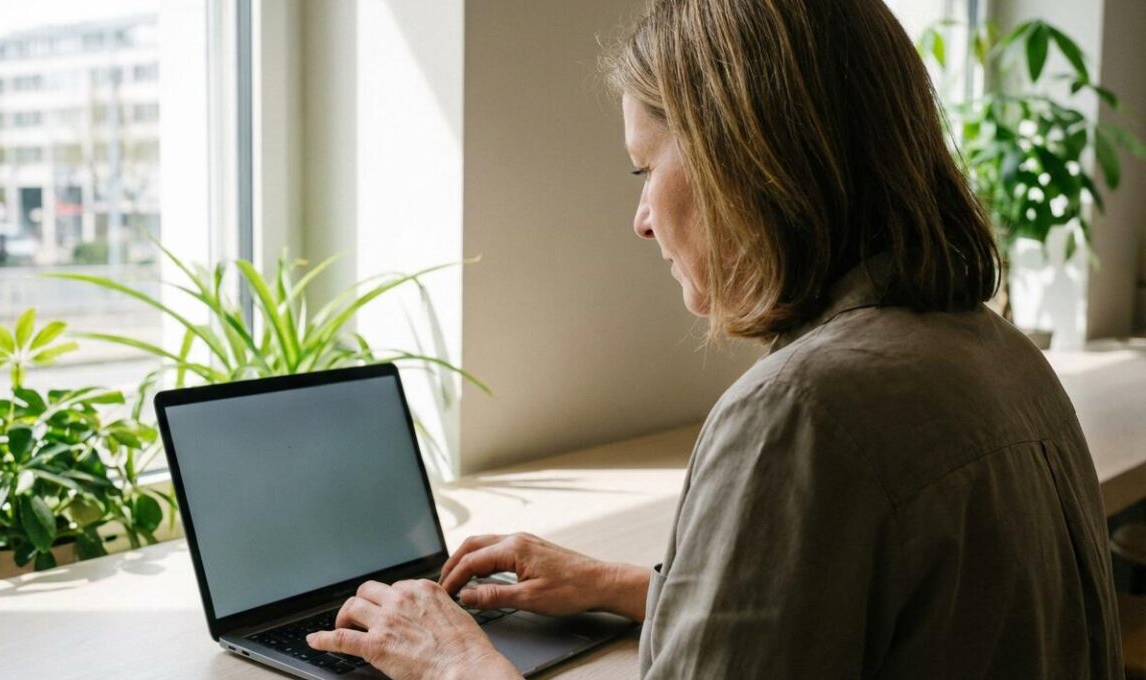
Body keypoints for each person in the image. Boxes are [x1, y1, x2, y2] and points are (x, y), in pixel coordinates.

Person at [305, 0, 1124, 677]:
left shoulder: (804, 411)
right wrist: (631, 583)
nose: (641, 220)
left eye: (644, 169)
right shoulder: (999, 355)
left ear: (745, 156)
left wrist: (453, 659)